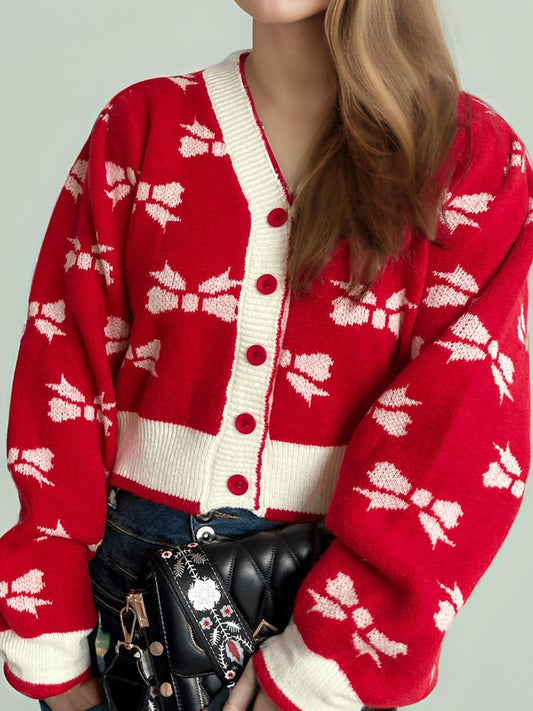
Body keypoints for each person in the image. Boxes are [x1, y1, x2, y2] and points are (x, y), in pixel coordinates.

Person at [0, 0, 532, 710]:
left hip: (326, 604)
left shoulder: (467, 157)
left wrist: (329, 661)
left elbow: (462, 425)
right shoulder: (143, 125)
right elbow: (61, 370)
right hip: (120, 593)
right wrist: (46, 627)